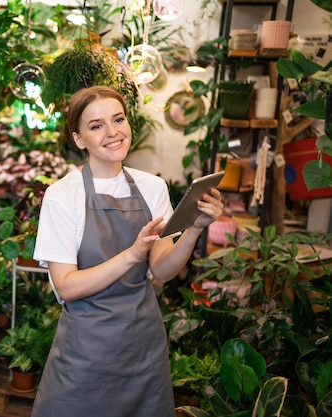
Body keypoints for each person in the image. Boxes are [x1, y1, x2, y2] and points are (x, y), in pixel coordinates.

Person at [30, 86, 224, 417]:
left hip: (142, 351)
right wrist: (132, 255)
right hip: (85, 354)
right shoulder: (64, 195)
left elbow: (162, 270)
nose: (112, 132)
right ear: (79, 139)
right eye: (96, 126)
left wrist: (194, 228)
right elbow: (66, 285)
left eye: (118, 119)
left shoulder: (152, 187)